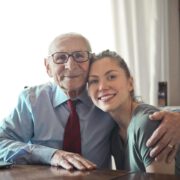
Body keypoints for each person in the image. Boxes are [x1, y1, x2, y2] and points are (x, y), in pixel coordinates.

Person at [0, 33, 180, 170]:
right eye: (60, 57)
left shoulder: (104, 100)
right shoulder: (31, 101)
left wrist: (176, 118)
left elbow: (141, 114)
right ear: (48, 67)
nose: (70, 66)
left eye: (79, 56)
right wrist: (51, 155)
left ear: (89, 63)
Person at [87, 49, 180, 174]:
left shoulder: (147, 123)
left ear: (130, 83)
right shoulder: (114, 135)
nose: (102, 86)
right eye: (94, 81)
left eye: (111, 77)